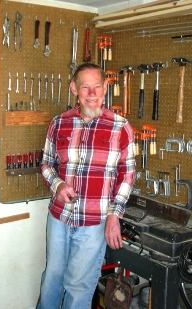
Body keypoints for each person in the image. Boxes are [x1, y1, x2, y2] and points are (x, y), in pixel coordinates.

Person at [36, 63, 136, 309]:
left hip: (94, 222)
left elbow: (127, 175)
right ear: (74, 89)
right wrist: (57, 185)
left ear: (105, 89)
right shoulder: (59, 123)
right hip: (59, 218)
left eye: (97, 86)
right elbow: (46, 163)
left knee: (79, 286)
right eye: (85, 87)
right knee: (52, 278)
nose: (92, 93)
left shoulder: (120, 127)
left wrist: (115, 215)